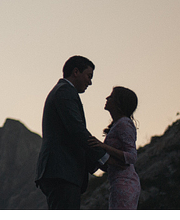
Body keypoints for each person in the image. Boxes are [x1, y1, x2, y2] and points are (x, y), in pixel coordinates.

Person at [35, 55, 109, 209]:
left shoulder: (62, 92)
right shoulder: (65, 92)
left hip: (61, 172)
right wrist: (105, 160)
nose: (90, 82)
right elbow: (76, 130)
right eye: (89, 76)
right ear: (76, 72)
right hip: (62, 171)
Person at [88, 86, 141, 209]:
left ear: (119, 103)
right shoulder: (118, 124)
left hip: (124, 184)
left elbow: (132, 156)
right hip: (118, 182)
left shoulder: (124, 123)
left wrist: (103, 146)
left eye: (111, 96)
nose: (107, 98)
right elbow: (113, 164)